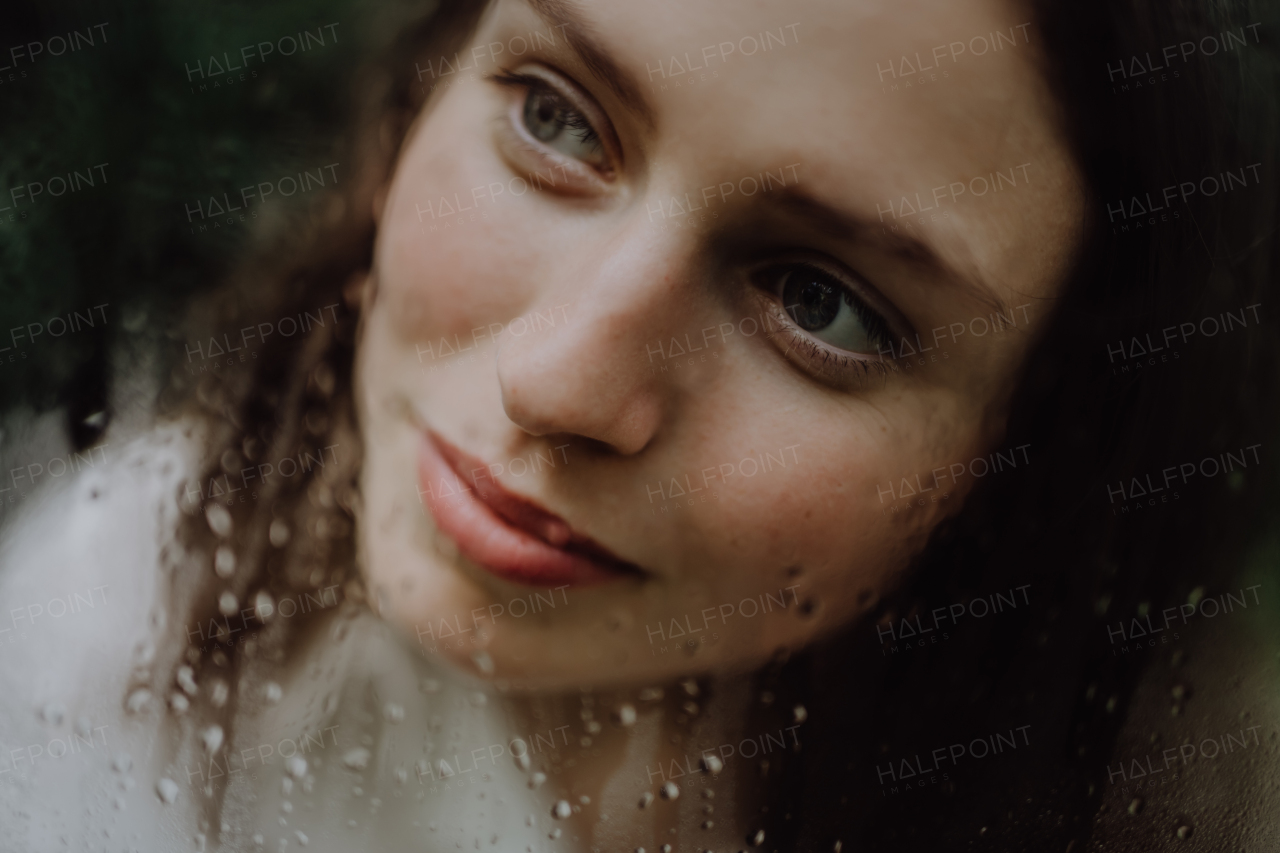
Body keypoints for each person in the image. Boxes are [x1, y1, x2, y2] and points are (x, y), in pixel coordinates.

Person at [0, 0, 1274, 849]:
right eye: (553, 119)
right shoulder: (109, 636)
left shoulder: (1138, 796)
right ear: (418, 105)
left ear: (1021, 457)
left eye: (820, 305)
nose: (554, 384)